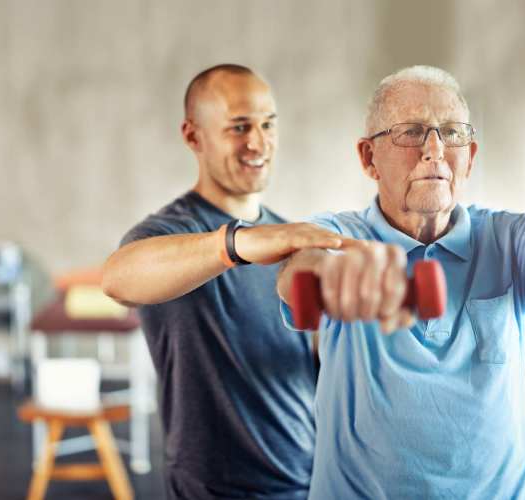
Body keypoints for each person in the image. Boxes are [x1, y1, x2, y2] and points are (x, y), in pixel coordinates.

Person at [276, 65, 525, 499]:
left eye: (451, 133)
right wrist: (329, 274)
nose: (434, 150)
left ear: (469, 155)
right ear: (368, 157)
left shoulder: (511, 240)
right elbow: (303, 263)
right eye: (411, 131)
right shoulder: (340, 233)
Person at [102, 64, 345, 500]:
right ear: (194, 137)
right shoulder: (169, 232)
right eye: (238, 127)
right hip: (214, 489)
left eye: (267, 124)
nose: (258, 142)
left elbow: (309, 363)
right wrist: (236, 245)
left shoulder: (288, 236)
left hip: (307, 481)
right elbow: (118, 278)